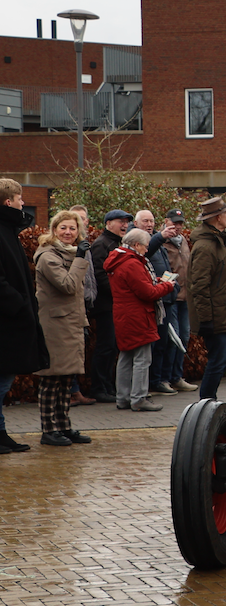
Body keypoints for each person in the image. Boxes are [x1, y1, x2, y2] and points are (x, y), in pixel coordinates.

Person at [32, 210, 93, 445]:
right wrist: (81, 259)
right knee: (51, 380)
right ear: (54, 229)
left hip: (71, 324)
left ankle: (64, 426)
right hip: (55, 325)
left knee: (66, 380)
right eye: (63, 228)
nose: (68, 232)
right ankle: (49, 430)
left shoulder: (71, 253)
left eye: (73, 228)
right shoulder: (48, 256)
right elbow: (67, 285)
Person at [105, 228, 175, 411]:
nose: (146, 249)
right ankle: (139, 398)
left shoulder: (118, 259)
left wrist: (155, 281)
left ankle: (123, 398)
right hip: (138, 316)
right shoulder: (132, 263)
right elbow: (147, 292)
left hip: (124, 315)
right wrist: (167, 286)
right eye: (145, 246)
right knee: (142, 359)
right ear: (136, 245)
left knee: (126, 357)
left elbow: (139, 285)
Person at [0, 178, 41, 454]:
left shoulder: (8, 229)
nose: (22, 203)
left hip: (11, 318)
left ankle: (1, 432)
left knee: (4, 378)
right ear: (8, 202)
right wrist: (20, 304)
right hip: (6, 320)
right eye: (19, 199)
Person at [187, 196, 226, 400]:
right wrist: (206, 319)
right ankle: (207, 402)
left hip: (219, 312)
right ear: (218, 218)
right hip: (214, 315)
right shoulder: (206, 246)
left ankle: (209, 401)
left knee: (222, 357)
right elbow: (199, 286)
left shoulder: (215, 242)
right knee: (219, 359)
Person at [134, 209, 180, 397]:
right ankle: (152, 382)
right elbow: (146, 253)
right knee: (153, 346)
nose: (149, 224)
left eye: (152, 220)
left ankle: (163, 379)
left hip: (167, 297)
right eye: (145, 221)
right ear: (136, 223)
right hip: (154, 299)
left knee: (167, 342)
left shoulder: (157, 241)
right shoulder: (142, 242)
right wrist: (160, 236)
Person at [89, 208, 132, 403]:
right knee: (105, 347)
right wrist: (121, 292)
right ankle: (99, 388)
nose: (124, 225)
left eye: (126, 221)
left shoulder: (118, 244)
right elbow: (100, 276)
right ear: (108, 224)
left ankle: (108, 386)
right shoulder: (101, 245)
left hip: (116, 304)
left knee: (113, 347)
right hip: (106, 306)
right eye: (120, 221)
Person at [161, 208, 198, 392]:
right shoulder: (160, 240)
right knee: (172, 338)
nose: (177, 226)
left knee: (183, 337)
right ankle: (166, 378)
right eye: (174, 222)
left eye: (180, 223)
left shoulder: (183, 240)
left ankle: (177, 377)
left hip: (186, 297)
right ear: (166, 221)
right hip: (172, 297)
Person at [67, 204, 97, 407]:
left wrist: (92, 296)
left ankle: (75, 390)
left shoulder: (85, 245)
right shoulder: (68, 249)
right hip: (72, 307)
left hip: (86, 305)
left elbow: (90, 276)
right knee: (70, 351)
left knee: (80, 349)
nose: (79, 222)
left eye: (82, 219)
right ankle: (71, 391)